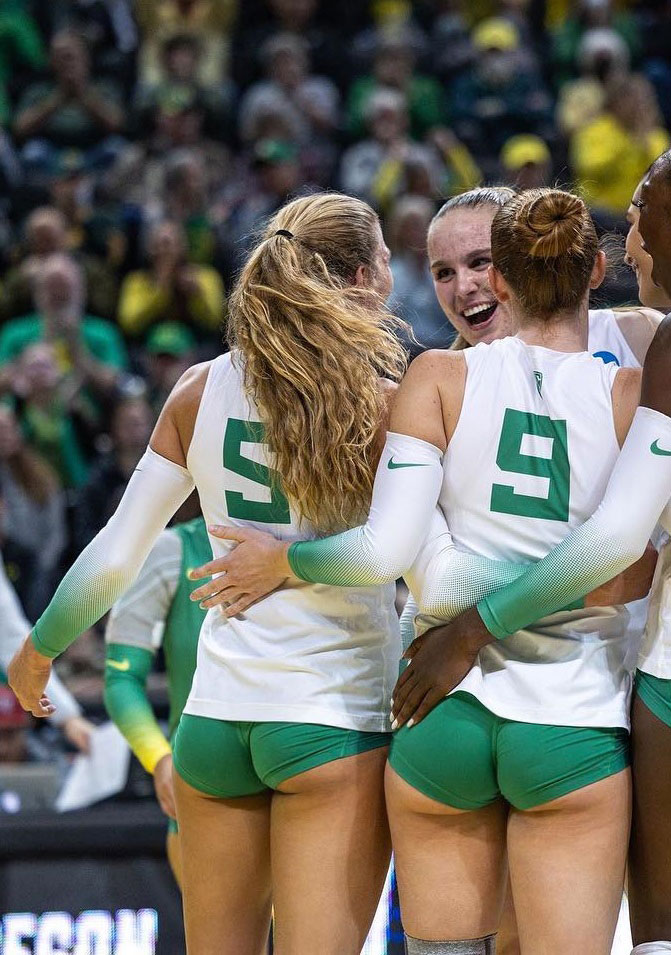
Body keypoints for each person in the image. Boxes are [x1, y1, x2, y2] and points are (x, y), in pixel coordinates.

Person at [187, 189, 659, 953]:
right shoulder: (621, 379)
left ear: (508, 270)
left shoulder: (445, 379)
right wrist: (575, 580)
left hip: (441, 701)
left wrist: (470, 616)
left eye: (479, 263)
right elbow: (623, 572)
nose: (465, 285)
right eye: (442, 271)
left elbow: (421, 567)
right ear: (593, 263)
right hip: (572, 709)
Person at [7, 193, 408, 955]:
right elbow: (397, 555)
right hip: (330, 716)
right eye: (386, 255)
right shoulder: (384, 403)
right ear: (362, 279)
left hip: (214, 723)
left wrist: (39, 649)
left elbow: (117, 549)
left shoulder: (200, 386)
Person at [104, 515, 210, 885]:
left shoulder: (328, 541)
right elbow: (121, 677)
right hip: (205, 783)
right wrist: (160, 760)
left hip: (307, 767)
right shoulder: (173, 549)